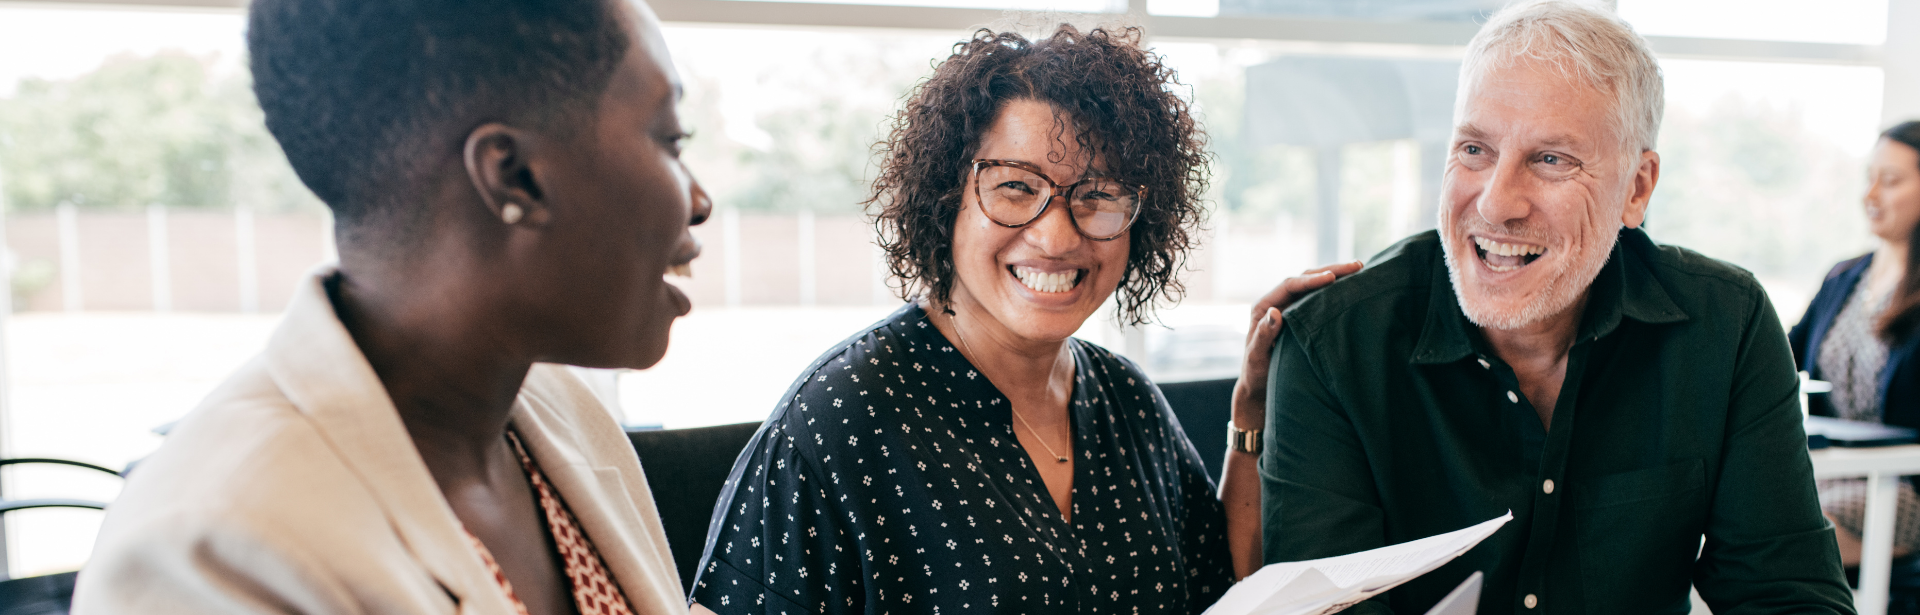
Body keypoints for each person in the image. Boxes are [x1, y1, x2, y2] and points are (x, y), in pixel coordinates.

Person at [688, 25, 1357, 615]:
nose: (1057, 235)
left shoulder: (1129, 404)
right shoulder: (837, 419)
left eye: (1096, 195)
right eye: (1016, 186)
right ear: (948, 196)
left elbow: (1233, 592)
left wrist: (1252, 411)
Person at [71, 0, 710, 612]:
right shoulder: (208, 552)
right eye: (671, 140)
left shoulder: (556, 410)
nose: (700, 200)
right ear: (515, 177)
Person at [1258, 1, 1855, 613]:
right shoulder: (1331, 345)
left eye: (1550, 160)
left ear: (1637, 188)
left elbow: (1787, 593)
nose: (1496, 204)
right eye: (1474, 150)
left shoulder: (1726, 324)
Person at [1792, 121, 1920, 567]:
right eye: (1869, 178)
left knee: (1794, 533)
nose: (1871, 196)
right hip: (1831, 470)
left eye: (1890, 181)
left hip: (1902, 485)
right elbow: (1778, 357)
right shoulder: (1844, 277)